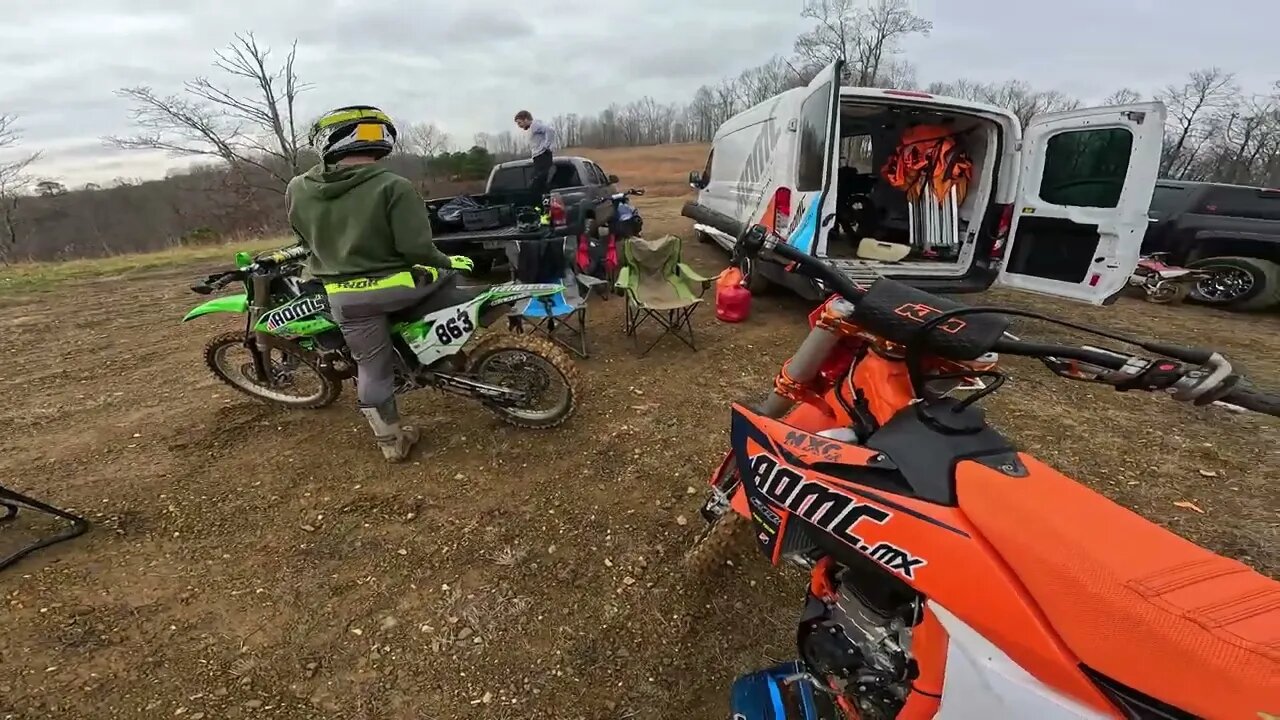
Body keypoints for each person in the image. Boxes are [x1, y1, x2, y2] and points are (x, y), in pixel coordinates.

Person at [285, 104, 475, 462]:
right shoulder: (394, 186)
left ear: (328, 141)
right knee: (450, 274)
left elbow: (303, 239)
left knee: (370, 366)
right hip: (397, 287)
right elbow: (418, 249)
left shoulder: (298, 188)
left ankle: (392, 443)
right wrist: (448, 261)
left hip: (345, 297)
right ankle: (442, 355)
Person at [514, 110, 557, 210]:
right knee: (537, 183)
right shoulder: (531, 128)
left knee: (539, 180)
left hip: (542, 156)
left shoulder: (535, 125)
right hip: (538, 157)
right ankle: (539, 205)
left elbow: (550, 130)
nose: (519, 125)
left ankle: (544, 204)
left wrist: (546, 146)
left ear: (526, 119)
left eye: (519, 122)